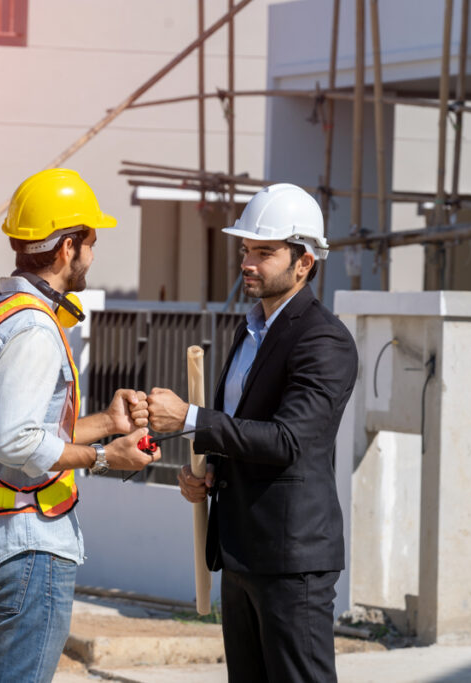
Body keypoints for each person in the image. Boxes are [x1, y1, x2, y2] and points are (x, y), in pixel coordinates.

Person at [0, 168, 158, 682]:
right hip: (28, 547)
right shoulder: (35, 328)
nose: (92, 252)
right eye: (90, 239)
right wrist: (108, 457)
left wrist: (107, 423)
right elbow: (15, 440)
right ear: (68, 247)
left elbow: (17, 433)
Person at [146, 183, 358, 682]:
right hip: (241, 551)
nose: (248, 262)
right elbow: (245, 430)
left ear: (304, 262)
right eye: (246, 249)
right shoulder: (248, 329)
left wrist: (192, 420)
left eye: (265, 252)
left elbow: (287, 440)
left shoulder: (324, 340)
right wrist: (208, 470)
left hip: (291, 560)